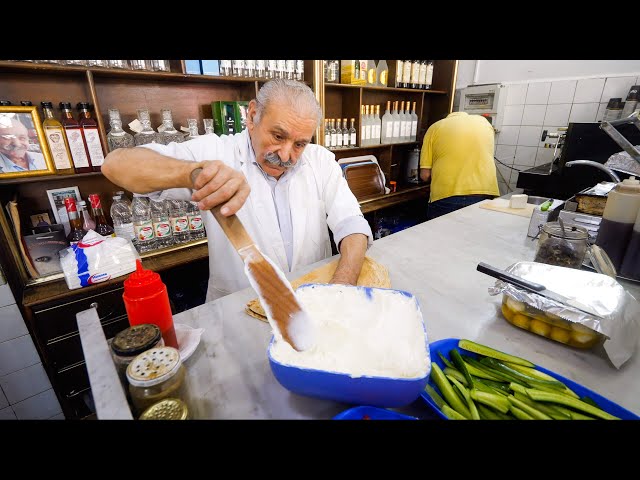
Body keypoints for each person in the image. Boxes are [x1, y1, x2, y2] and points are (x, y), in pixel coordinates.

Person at [102, 79, 373, 302]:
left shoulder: (320, 160)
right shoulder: (214, 151)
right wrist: (193, 173)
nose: (287, 155)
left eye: (300, 144)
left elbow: (351, 224)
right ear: (252, 116)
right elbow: (115, 166)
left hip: (314, 300)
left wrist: (341, 288)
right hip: (239, 308)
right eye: (278, 136)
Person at [419, 112, 499, 220]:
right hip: (484, 193)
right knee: (472, 235)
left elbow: (425, 175)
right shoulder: (485, 124)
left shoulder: (435, 128)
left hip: (447, 196)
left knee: (440, 235)